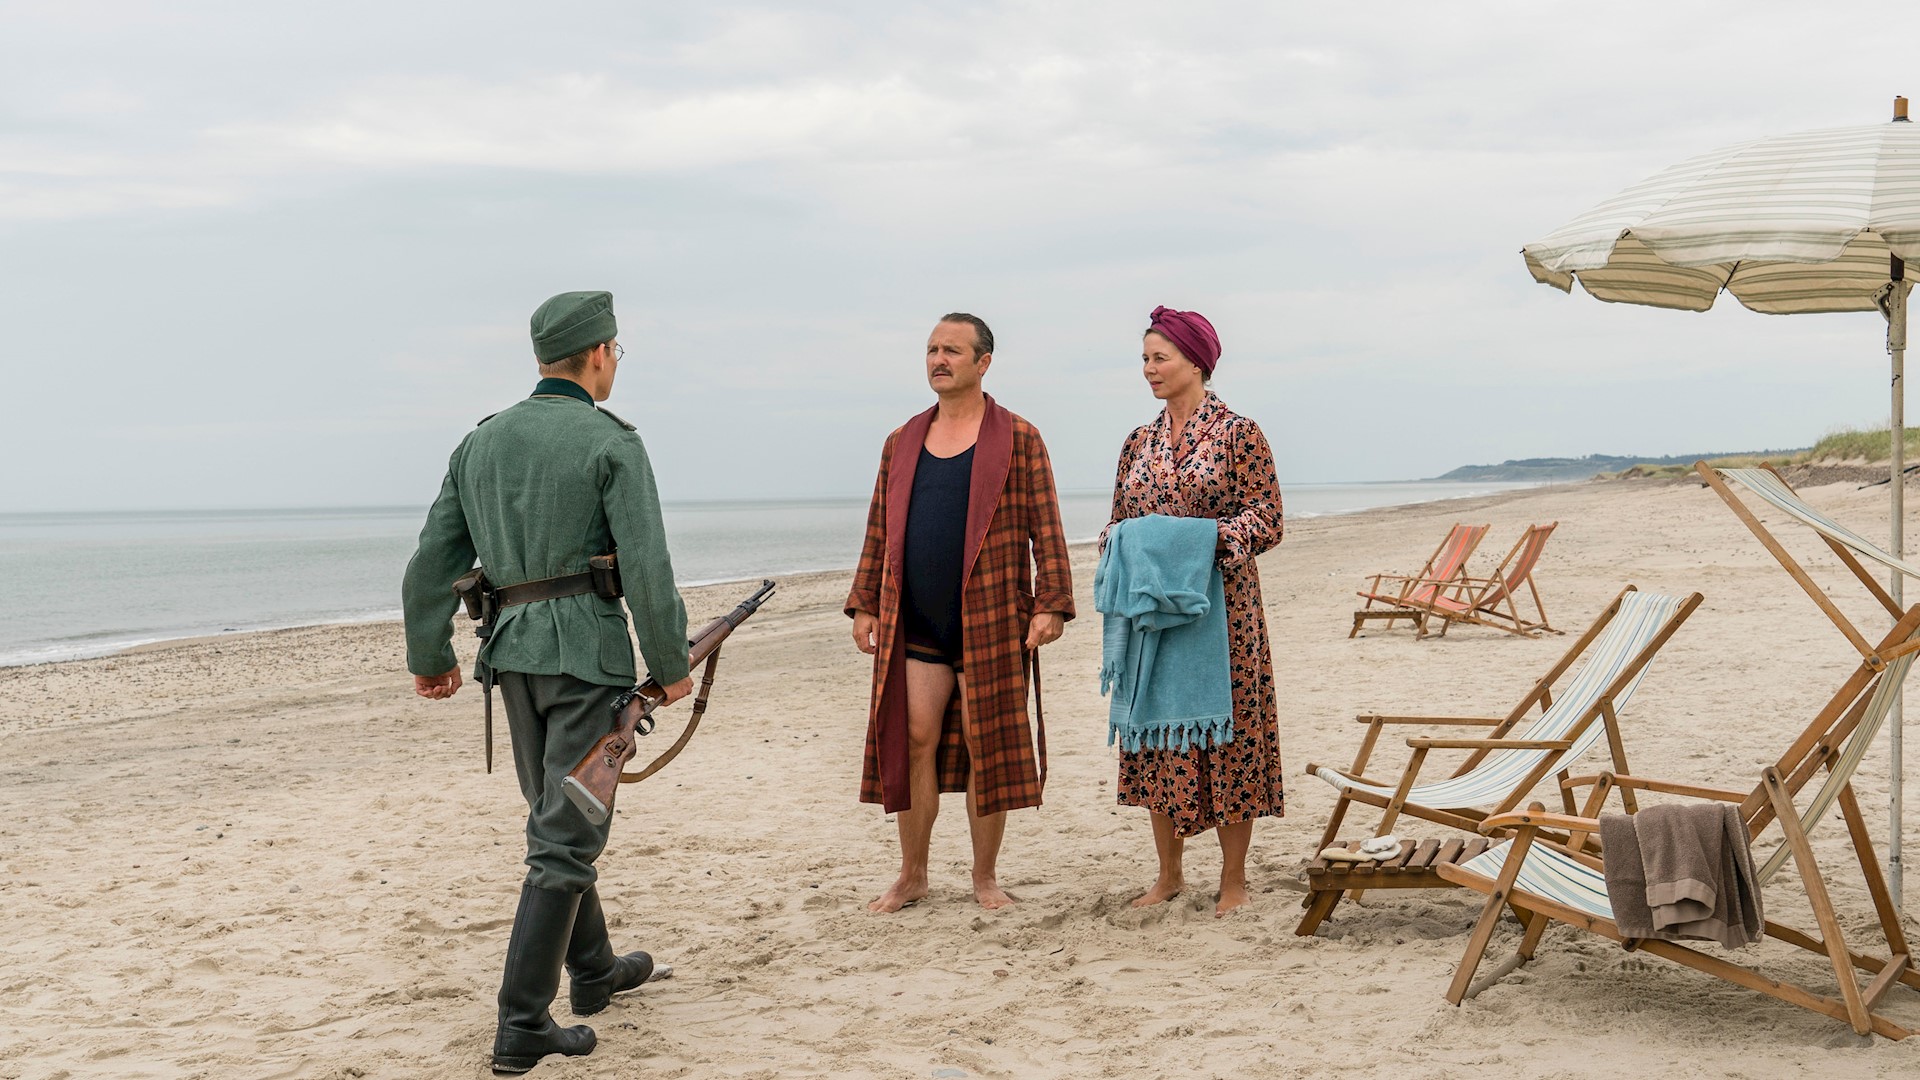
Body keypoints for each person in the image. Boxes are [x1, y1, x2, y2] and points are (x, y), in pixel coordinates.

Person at [400, 290, 693, 1074]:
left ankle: (594, 972)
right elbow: (648, 568)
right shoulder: (611, 442)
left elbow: (430, 562)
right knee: (563, 840)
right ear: (599, 354)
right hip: (584, 662)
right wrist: (671, 665)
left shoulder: (482, 443)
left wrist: (429, 654)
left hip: (510, 658)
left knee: (552, 820)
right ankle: (523, 1024)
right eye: (616, 354)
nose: (614, 366)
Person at [846, 313, 1075, 913]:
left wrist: (1050, 604)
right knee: (914, 738)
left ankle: (984, 877)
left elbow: (1046, 529)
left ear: (983, 362)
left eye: (951, 350)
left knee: (986, 742)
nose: (938, 359)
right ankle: (913, 874)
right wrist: (865, 602)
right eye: (930, 350)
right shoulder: (902, 440)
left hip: (993, 616)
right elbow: (879, 530)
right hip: (914, 620)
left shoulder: (1019, 438)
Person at [1103, 305, 1284, 917]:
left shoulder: (1239, 433)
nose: (1150, 369)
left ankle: (1234, 879)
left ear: (1196, 362)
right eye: (1145, 360)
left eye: (1161, 358)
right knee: (1157, 739)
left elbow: (1268, 518)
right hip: (1152, 617)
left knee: (1228, 740)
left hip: (1222, 611)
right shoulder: (1138, 442)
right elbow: (1118, 524)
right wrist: (1123, 544)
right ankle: (1169, 875)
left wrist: (1195, 545)